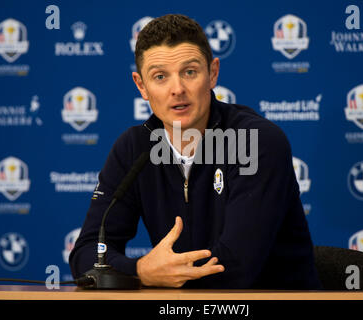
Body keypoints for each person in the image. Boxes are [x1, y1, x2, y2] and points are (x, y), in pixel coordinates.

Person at [69, 14, 322, 289]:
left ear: (212, 73)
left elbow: (235, 270)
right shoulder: (134, 148)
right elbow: (85, 255)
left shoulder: (257, 142)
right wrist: (140, 269)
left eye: (189, 72)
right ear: (141, 85)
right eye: (160, 76)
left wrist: (150, 275)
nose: (177, 89)